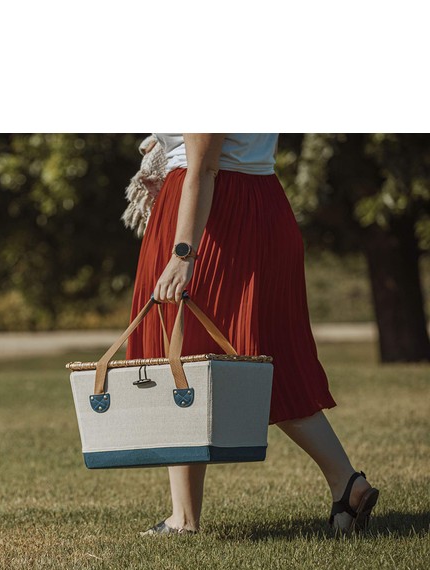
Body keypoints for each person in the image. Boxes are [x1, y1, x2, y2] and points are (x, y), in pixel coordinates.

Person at [124, 133, 379, 535]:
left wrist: (182, 253)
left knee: (187, 357)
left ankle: (184, 519)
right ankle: (346, 483)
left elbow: (205, 165)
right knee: (257, 362)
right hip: (252, 204)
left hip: (217, 217)